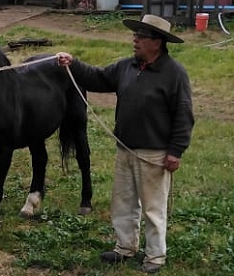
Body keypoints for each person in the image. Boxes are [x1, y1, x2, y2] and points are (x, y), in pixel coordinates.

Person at [56, 14, 194, 274]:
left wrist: (176, 151)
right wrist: (73, 64)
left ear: (157, 42)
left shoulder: (174, 74)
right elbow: (98, 78)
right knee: (124, 203)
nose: (135, 39)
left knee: (153, 208)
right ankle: (125, 247)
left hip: (153, 154)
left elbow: (183, 114)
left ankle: (155, 256)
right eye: (136, 34)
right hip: (125, 149)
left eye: (141, 36)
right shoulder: (127, 67)